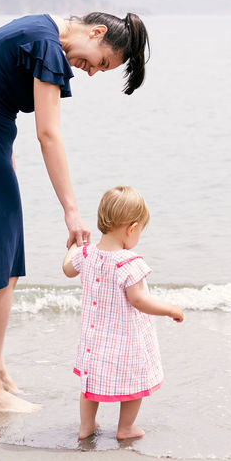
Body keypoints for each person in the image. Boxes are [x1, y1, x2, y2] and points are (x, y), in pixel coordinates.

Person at [0, 11, 149, 414]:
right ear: (96, 32)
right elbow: (49, 134)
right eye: (100, 62)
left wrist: (5, 155)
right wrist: (72, 211)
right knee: (2, 272)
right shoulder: (46, 44)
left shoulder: (38, 32)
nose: (90, 72)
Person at [62, 185, 184, 441]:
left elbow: (67, 269)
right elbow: (139, 300)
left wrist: (74, 245)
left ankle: (86, 426)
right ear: (132, 228)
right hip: (125, 341)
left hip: (93, 341)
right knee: (135, 383)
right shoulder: (129, 263)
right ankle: (125, 428)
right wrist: (169, 309)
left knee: (89, 384)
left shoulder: (86, 254)